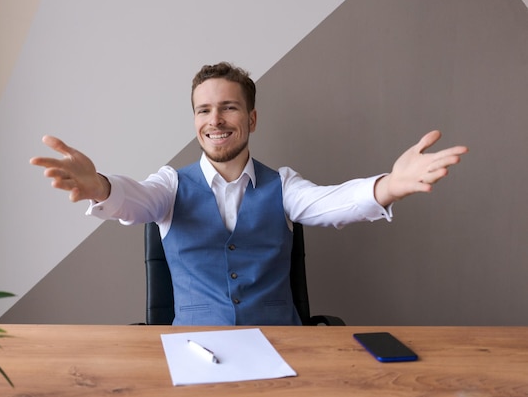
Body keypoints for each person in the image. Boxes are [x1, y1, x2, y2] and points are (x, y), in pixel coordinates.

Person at [30, 62, 468, 326]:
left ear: (252, 119)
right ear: (195, 119)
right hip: (194, 352)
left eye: (229, 107)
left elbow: (333, 203)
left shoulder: (285, 185)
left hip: (283, 348)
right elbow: (134, 199)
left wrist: (389, 186)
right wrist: (99, 187)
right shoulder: (170, 185)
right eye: (204, 109)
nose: (215, 119)